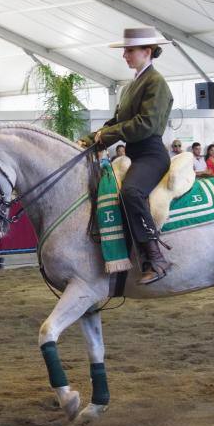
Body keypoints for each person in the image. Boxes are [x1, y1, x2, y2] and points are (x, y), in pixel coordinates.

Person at [77, 27, 173, 285]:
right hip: (134, 155)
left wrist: (107, 136)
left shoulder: (156, 83)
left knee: (131, 192)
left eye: (129, 50)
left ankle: (155, 258)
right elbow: (116, 121)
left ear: (147, 51)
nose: (125, 55)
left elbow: (146, 124)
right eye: (125, 50)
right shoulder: (132, 86)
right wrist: (89, 140)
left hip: (151, 155)